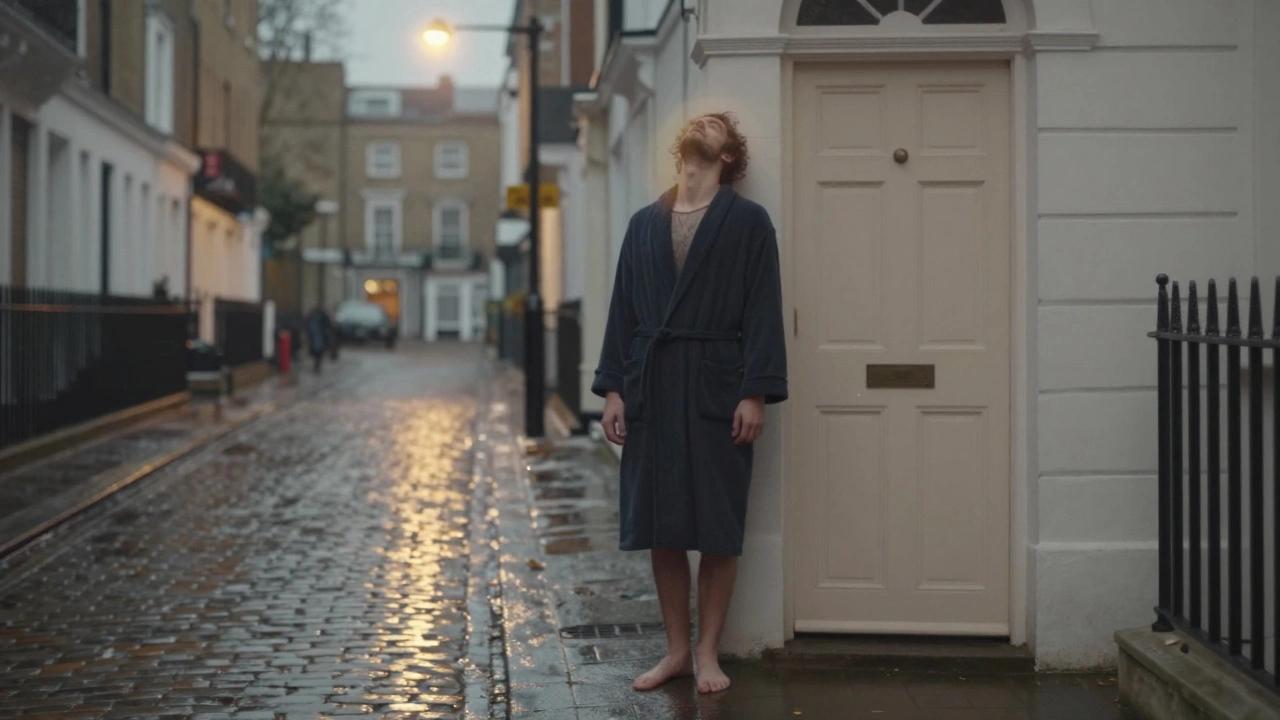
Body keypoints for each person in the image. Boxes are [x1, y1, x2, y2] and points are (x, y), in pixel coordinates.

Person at [593, 112, 788, 694]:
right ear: (681, 150)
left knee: (718, 526)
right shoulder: (642, 224)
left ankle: (708, 652)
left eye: (717, 125)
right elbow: (623, 311)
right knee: (662, 525)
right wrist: (613, 389)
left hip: (716, 387)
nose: (704, 123)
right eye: (698, 120)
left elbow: (762, 308)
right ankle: (676, 650)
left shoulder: (748, 222)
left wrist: (755, 390)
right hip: (652, 386)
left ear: (729, 156)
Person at [305, 305, 332, 373]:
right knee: (318, 351)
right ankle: (317, 364)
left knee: (318, 351)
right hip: (317, 338)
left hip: (319, 338)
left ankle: (317, 364)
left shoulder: (320, 316)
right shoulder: (313, 316)